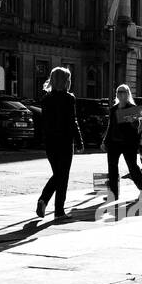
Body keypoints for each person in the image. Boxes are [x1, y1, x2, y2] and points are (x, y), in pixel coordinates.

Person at [36, 66, 84, 221]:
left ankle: (44, 200)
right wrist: (79, 141)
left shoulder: (45, 99)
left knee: (58, 174)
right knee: (62, 176)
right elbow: (72, 121)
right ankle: (58, 211)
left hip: (50, 142)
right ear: (65, 81)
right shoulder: (69, 98)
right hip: (65, 141)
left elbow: (44, 123)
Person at [103, 83, 142, 201]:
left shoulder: (132, 108)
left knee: (132, 167)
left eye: (123, 92)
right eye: (118, 92)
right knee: (112, 168)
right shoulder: (113, 109)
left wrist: (132, 121)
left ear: (127, 94)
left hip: (128, 143)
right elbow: (110, 126)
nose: (120, 94)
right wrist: (105, 141)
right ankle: (113, 194)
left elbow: (138, 126)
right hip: (114, 142)